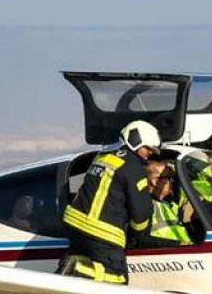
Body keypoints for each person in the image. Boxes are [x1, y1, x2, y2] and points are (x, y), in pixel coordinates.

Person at [59, 120, 159, 285]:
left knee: (82, 273)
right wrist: (137, 237)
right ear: (135, 141)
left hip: (75, 224)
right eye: (148, 148)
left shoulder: (103, 156)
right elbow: (141, 214)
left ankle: (73, 266)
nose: (149, 154)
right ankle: (75, 269)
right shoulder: (134, 167)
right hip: (101, 232)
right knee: (117, 279)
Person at [137, 160, 196, 246]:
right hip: (163, 255)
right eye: (168, 177)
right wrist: (177, 245)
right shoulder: (144, 205)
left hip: (182, 253)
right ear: (155, 182)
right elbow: (140, 239)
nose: (172, 181)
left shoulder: (170, 204)